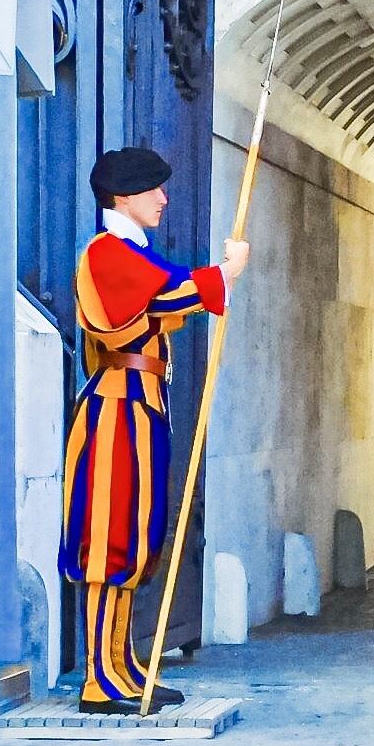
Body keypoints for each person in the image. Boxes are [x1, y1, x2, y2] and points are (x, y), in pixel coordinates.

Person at [61, 147, 250, 715]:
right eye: (153, 190)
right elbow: (162, 299)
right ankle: (99, 675)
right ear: (124, 196)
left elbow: (166, 297)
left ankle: (120, 663)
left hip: (142, 405)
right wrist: (224, 274)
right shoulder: (106, 254)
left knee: (136, 539)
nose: (164, 199)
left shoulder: (132, 254)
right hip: (116, 407)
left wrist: (214, 281)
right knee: (109, 538)